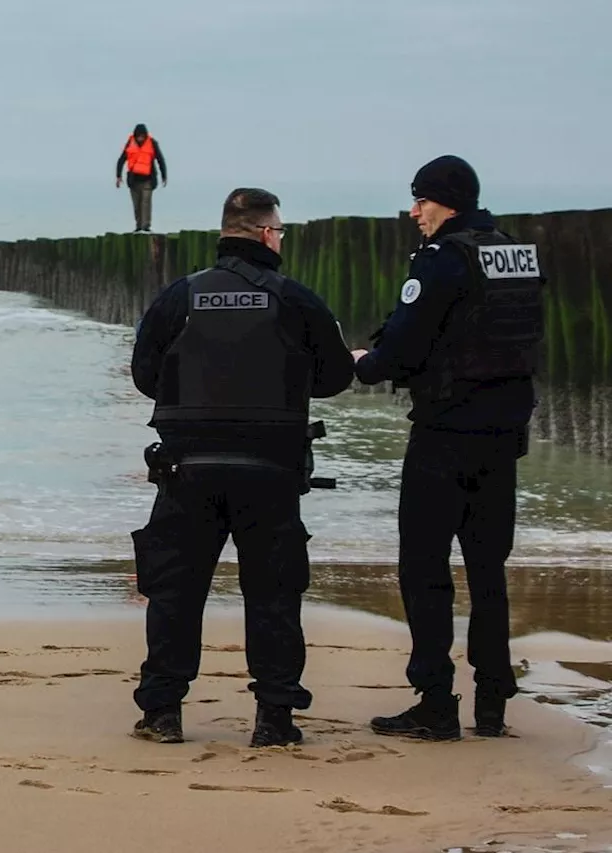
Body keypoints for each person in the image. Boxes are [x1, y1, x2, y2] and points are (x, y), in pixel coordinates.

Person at [128, 188, 355, 746]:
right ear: (264, 234)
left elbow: (144, 374)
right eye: (279, 230)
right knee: (274, 595)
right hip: (272, 473)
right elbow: (334, 379)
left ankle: (162, 712)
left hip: (188, 472)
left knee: (176, 592)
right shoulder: (295, 299)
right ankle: (275, 717)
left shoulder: (179, 296)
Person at [352, 155, 544, 741]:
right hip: (504, 436)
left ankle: (436, 702)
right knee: (488, 570)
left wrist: (365, 366)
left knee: (425, 567)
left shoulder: (442, 258)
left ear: (448, 201)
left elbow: (407, 344)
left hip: (446, 434)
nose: (414, 212)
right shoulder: (514, 252)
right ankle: (492, 704)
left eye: (422, 200)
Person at [116, 123, 168, 232]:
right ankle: (139, 226)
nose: (140, 139)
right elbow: (121, 160)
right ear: (135, 136)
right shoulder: (130, 144)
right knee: (137, 205)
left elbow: (160, 159)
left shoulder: (152, 143)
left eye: (142, 136)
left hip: (148, 180)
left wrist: (164, 175)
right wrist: (118, 176)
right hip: (134, 181)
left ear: (146, 136)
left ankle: (146, 226)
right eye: (138, 136)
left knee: (146, 203)